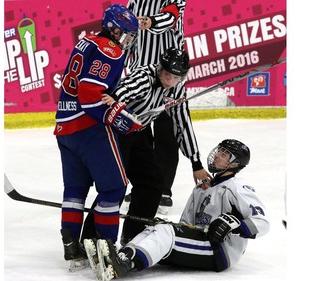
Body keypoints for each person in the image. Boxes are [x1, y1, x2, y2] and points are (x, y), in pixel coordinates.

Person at [84, 139, 270, 280]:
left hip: (220, 251)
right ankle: (121, 257)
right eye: (219, 151)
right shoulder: (201, 189)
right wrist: (171, 227)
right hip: (202, 242)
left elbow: (262, 222)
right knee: (155, 229)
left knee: (165, 232)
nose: (218, 155)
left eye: (225, 154)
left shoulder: (237, 187)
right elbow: (185, 225)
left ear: (235, 164)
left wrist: (233, 224)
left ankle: (125, 265)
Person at [53, 4, 140, 271]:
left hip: (64, 126)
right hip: (88, 127)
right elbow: (90, 97)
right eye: (124, 33)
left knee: (75, 190)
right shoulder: (110, 50)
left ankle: (72, 246)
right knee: (114, 188)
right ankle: (106, 249)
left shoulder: (87, 41)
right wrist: (120, 117)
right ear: (113, 29)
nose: (126, 40)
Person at [102, 47, 211, 246]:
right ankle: (97, 238)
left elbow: (182, 123)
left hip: (140, 134)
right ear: (160, 68)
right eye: (167, 75)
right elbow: (127, 88)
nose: (170, 81)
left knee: (152, 184)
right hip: (117, 133)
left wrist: (196, 162)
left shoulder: (177, 88)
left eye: (175, 78)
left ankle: (133, 237)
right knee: (115, 186)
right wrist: (117, 99)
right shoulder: (145, 76)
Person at [123, 0, 188, 214]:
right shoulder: (135, 2)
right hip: (142, 78)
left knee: (167, 134)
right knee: (140, 137)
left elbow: (168, 20)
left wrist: (149, 21)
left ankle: (164, 190)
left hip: (168, 75)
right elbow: (129, 39)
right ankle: (143, 184)